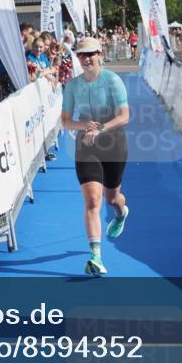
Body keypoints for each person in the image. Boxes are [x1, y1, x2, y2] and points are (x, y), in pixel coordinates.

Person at [61, 37, 131, 276]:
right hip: (86, 146)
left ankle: (121, 213)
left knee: (112, 199)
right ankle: (96, 257)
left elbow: (124, 116)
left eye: (91, 53)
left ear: (100, 54)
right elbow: (66, 121)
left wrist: (100, 128)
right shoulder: (72, 86)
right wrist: (84, 126)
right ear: (77, 58)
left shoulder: (113, 81)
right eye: (82, 54)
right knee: (92, 200)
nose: (87, 58)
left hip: (114, 144)